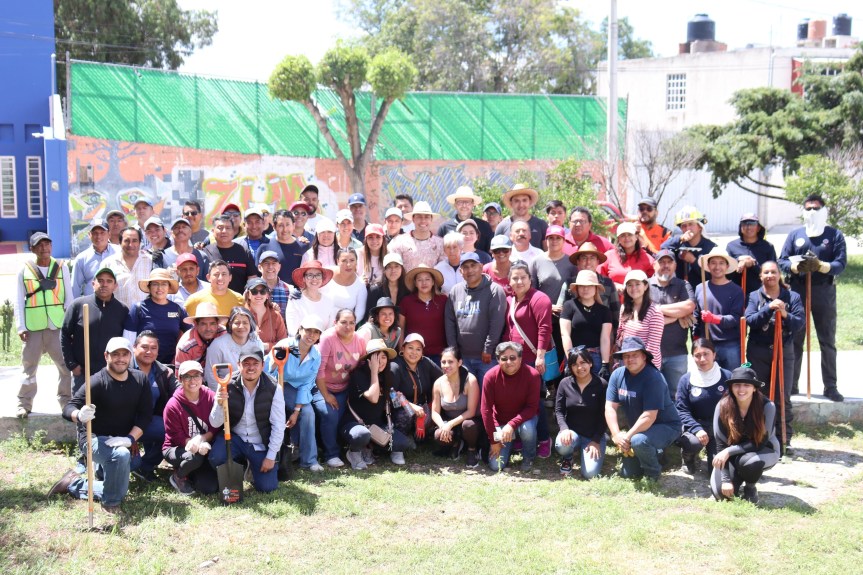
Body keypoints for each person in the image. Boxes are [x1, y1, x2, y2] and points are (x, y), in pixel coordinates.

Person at [49, 337, 151, 513]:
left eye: (124, 354)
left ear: (130, 356)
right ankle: (111, 502)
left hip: (121, 440)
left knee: (132, 463)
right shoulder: (96, 382)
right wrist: (79, 415)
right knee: (120, 458)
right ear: (106, 356)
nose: (120, 359)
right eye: (115, 354)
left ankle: (77, 482)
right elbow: (68, 408)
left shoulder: (140, 379)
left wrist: (130, 439)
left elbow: (145, 416)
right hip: (94, 438)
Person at [778, 193, 846, 401]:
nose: (812, 212)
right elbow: (782, 261)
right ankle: (792, 384)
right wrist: (795, 267)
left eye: (816, 208)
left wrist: (821, 266)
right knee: (795, 338)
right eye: (808, 208)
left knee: (827, 340)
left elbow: (840, 264)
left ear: (823, 210)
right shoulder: (795, 235)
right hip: (798, 291)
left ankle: (830, 386)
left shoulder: (834, 235)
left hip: (823, 291)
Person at [209, 349, 286, 493]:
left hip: (260, 442)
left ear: (262, 365)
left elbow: (278, 425)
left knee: (267, 487)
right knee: (216, 458)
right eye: (246, 363)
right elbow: (214, 423)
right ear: (238, 365)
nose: (251, 367)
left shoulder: (274, 388)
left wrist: (271, 457)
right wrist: (219, 404)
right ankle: (242, 467)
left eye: (255, 363)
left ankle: (253, 466)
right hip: (235, 439)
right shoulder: (226, 384)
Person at [605, 336, 681, 481]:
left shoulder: (654, 378)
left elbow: (649, 416)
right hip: (640, 429)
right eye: (626, 356)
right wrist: (616, 435)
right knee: (629, 474)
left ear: (644, 356)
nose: (630, 359)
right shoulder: (617, 375)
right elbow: (610, 408)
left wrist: (627, 437)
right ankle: (655, 453)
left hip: (666, 426)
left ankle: (653, 473)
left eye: (635, 355)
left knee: (639, 441)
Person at [745, 261, 804, 446]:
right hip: (758, 352)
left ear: (779, 275)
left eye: (773, 272)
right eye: (766, 272)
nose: (770, 275)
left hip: (783, 351)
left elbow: (799, 323)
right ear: (760, 276)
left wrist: (784, 313)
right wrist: (768, 308)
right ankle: (760, 437)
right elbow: (750, 320)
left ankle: (783, 439)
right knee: (759, 394)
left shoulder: (792, 296)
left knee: (782, 395)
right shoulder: (754, 296)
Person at [15, 232, 73, 417]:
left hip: (57, 326)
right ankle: (24, 403)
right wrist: (21, 327)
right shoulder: (24, 270)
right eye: (39, 245)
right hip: (34, 326)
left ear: (51, 246)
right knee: (29, 367)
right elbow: (19, 300)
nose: (44, 248)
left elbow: (69, 297)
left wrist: (70, 325)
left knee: (65, 367)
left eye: (47, 244)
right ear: (32, 249)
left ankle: (66, 402)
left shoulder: (61, 267)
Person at [505, 260, 554, 457]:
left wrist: (540, 356)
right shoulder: (510, 300)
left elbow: (545, 328)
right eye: (515, 278)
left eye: (523, 277)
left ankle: (543, 439)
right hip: (514, 360)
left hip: (533, 360)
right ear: (509, 281)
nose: (519, 282)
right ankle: (521, 436)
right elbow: (509, 329)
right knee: (515, 400)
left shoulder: (539, 299)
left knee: (534, 402)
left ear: (530, 279)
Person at [711, 366, 780, 504]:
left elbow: (760, 442)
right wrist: (725, 480)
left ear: (754, 388)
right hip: (732, 456)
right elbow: (720, 444)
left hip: (763, 450)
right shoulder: (722, 406)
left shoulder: (768, 406)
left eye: (746, 385)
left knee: (750, 462)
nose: (741, 389)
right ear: (731, 387)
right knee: (721, 495)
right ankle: (738, 476)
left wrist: (729, 451)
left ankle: (750, 487)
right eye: (737, 385)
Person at [266, 315, 325, 473]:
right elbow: (268, 371)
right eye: (308, 330)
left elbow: (307, 384)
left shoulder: (316, 355)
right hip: (274, 385)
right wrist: (275, 364)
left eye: (316, 332)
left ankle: (309, 460)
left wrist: (296, 411)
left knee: (308, 413)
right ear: (300, 330)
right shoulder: (285, 345)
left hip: (296, 388)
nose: (311, 335)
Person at [342, 339, 412, 468]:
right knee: (362, 435)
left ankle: (371, 448)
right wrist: (374, 372)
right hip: (355, 423)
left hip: (376, 426)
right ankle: (354, 453)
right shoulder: (358, 375)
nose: (380, 361)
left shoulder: (387, 376)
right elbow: (373, 398)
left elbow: (390, 402)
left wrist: (398, 399)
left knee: (403, 443)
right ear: (368, 360)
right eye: (376, 358)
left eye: (384, 357)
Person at [62, 266, 129, 393]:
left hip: (111, 372)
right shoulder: (78, 305)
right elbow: (64, 334)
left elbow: (126, 342)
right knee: (81, 404)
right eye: (100, 280)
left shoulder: (122, 310)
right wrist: (72, 364)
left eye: (109, 281)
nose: (104, 284)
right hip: (82, 373)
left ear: (115, 286)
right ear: (93, 284)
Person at [314, 309, 366, 467]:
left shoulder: (360, 340)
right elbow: (319, 369)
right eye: (343, 322)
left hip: (344, 388)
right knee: (330, 415)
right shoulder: (328, 338)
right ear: (335, 323)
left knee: (341, 419)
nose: (348, 326)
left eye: (352, 323)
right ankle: (331, 455)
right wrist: (326, 395)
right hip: (322, 386)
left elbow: (362, 365)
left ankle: (348, 450)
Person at [444, 253, 507, 385]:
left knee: (486, 393)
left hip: (486, 358)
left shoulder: (495, 290)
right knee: (466, 393)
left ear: (481, 267)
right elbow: (449, 322)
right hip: (463, 358)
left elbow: (496, 323)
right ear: (460, 271)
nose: (470, 270)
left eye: (473, 265)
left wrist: (488, 349)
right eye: (465, 267)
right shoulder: (455, 291)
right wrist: (454, 351)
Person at [481, 342, 540, 471]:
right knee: (495, 466)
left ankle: (528, 457)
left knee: (528, 429)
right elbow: (486, 410)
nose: (509, 362)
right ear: (498, 360)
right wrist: (494, 441)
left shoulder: (533, 375)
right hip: (501, 422)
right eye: (504, 358)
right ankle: (509, 445)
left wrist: (511, 424)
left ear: (520, 358)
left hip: (524, 420)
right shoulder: (490, 376)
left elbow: (532, 407)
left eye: (513, 358)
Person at [162, 360, 218, 495]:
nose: (192, 380)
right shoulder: (173, 405)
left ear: (202, 377)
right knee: (194, 458)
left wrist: (202, 439)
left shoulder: (211, 397)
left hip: (204, 447)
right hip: (178, 448)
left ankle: (191, 472)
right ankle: (179, 476)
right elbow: (176, 436)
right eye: (187, 376)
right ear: (180, 379)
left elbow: (215, 427)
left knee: (209, 488)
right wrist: (195, 444)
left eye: (196, 375)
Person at [675, 339, 731, 474]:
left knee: (716, 471)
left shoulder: (727, 376)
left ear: (714, 355)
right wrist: (697, 429)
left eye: (706, 354)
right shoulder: (686, 380)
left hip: (719, 427)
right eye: (697, 355)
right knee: (693, 443)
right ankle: (688, 457)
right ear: (693, 357)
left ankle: (712, 451)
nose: (702, 359)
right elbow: (682, 410)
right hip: (695, 426)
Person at [130, 331, 178, 481]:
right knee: (130, 462)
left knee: (173, 430)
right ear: (134, 348)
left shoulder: (164, 372)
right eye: (144, 347)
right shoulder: (122, 369)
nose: (149, 352)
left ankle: (146, 466)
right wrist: (130, 437)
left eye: (153, 348)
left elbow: (180, 393)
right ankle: (102, 468)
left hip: (149, 422)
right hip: (123, 424)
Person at [648, 249, 697, 397]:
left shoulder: (683, 285)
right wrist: (676, 316)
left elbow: (689, 306)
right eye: (662, 262)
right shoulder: (644, 285)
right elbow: (643, 315)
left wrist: (655, 309)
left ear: (675, 265)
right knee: (652, 394)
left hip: (677, 353)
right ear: (654, 265)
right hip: (649, 353)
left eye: (669, 262)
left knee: (677, 395)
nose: (666, 265)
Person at [555, 347, 607, 479]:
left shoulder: (601, 384)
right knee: (561, 444)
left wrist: (596, 440)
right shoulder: (564, 383)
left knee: (590, 474)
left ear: (590, 363)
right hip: (572, 434)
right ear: (570, 367)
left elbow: (605, 416)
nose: (579, 367)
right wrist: (564, 429)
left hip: (593, 436)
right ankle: (568, 457)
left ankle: (593, 448)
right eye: (574, 364)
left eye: (583, 362)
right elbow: (559, 411)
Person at [122, 268, 188, 365]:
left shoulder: (178, 309)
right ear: (149, 287)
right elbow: (128, 342)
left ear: (169, 287)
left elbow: (191, 335)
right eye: (155, 284)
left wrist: (180, 357)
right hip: (142, 366)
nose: (159, 288)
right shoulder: (138, 308)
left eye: (164, 284)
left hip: (171, 367)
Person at [431, 346, 483, 467]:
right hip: (451, 422)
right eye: (443, 362)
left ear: (459, 362)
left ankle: (472, 449)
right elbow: (434, 412)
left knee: (468, 426)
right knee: (438, 435)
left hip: (470, 421)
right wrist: (443, 426)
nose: (446, 365)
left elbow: (471, 411)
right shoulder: (438, 383)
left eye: (450, 362)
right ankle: (456, 444)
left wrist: (449, 425)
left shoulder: (470, 380)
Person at [695, 248, 744, 371]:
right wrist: (696, 339)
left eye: (721, 263)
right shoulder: (700, 288)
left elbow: (736, 318)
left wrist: (714, 319)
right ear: (708, 265)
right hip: (707, 344)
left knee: (732, 378)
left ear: (727, 266)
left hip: (730, 344)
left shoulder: (736, 290)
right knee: (708, 378)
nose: (717, 267)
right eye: (713, 263)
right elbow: (696, 316)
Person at [389, 333, 443, 442]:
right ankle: (402, 439)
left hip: (423, 407)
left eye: (418, 349)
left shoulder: (426, 362)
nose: (414, 352)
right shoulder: (395, 366)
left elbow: (442, 379)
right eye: (410, 348)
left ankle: (423, 435)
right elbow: (391, 395)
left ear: (422, 352)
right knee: (405, 415)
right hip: (401, 409)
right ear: (403, 348)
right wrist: (411, 406)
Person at [560, 270, 612, 376]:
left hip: (596, 356)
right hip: (575, 355)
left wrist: (605, 363)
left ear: (596, 288)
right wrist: (571, 359)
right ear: (577, 288)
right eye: (582, 286)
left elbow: (605, 338)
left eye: (590, 286)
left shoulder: (604, 310)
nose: (585, 289)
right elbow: (565, 335)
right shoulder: (569, 306)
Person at [203, 307, 265, 390]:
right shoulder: (218, 345)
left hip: (252, 390)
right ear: (230, 324)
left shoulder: (256, 342)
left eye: (245, 323)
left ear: (251, 324)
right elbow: (210, 374)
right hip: (226, 391)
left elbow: (260, 369)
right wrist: (218, 395)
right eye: (237, 323)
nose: (241, 326)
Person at [566, 242, 619, 334]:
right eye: (584, 258)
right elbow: (562, 312)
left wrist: (615, 337)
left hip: (603, 335)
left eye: (592, 258)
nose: (588, 262)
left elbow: (616, 312)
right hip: (575, 336)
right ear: (578, 261)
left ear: (598, 262)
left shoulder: (608, 283)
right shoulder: (569, 283)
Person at [617, 270, 664, 371]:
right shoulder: (624, 308)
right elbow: (620, 334)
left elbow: (652, 348)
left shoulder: (654, 311)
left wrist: (640, 369)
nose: (633, 288)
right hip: (627, 363)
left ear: (645, 286)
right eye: (629, 285)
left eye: (637, 284)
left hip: (647, 367)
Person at [401, 264, 448, 364]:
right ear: (415, 283)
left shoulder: (443, 300)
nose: (424, 283)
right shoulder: (406, 302)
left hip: (440, 354)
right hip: (414, 355)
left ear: (433, 282)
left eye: (427, 279)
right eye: (420, 280)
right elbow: (400, 328)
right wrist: (401, 349)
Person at [660, 206, 717, 288]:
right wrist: (680, 238)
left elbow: (713, 275)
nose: (687, 228)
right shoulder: (678, 243)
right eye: (684, 226)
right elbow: (662, 248)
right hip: (680, 290)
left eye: (691, 224)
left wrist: (693, 261)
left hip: (703, 291)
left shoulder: (710, 247)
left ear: (700, 226)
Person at [200, 215, 259, 294]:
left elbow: (252, 278)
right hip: (212, 299)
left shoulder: (243, 251)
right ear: (213, 231)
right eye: (220, 228)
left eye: (228, 228)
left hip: (238, 299)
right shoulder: (206, 252)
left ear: (233, 231)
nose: (224, 231)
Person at [727, 213, 776, 296]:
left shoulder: (768, 247)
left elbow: (773, 271)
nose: (748, 227)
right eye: (745, 224)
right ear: (740, 227)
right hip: (736, 293)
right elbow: (726, 271)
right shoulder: (731, 246)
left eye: (752, 224)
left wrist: (753, 264)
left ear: (758, 228)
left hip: (761, 294)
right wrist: (738, 261)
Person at [599, 222, 655, 295]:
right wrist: (613, 285)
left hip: (639, 300)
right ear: (618, 238)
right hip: (613, 299)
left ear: (636, 236)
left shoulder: (648, 258)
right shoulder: (608, 256)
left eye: (629, 234)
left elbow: (654, 282)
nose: (626, 238)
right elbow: (599, 279)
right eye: (623, 235)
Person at [104, 227, 153, 309]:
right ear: (120, 242)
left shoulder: (151, 261)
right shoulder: (108, 263)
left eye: (134, 240)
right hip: (118, 313)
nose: (131, 244)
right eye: (126, 241)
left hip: (146, 313)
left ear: (140, 243)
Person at [387, 201, 444, 271]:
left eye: (426, 217)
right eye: (419, 217)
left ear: (431, 219)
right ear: (413, 219)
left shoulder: (440, 244)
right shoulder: (399, 242)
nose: (423, 220)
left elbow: (444, 269)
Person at [285, 260, 336, 336]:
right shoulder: (295, 299)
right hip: (298, 341)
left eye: (318, 275)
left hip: (322, 342)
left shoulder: (329, 301)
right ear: (304, 278)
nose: (314, 279)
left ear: (322, 278)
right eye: (310, 275)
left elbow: (330, 329)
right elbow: (292, 330)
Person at [437, 186, 493, 253]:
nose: (464, 205)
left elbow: (490, 252)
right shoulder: (444, 228)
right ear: (455, 205)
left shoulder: (484, 226)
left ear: (473, 204)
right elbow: (440, 252)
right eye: (460, 202)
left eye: (467, 202)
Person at [71, 219, 117, 297]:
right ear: (89, 235)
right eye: (95, 233)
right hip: (92, 302)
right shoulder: (82, 258)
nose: (98, 236)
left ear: (109, 234)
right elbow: (75, 287)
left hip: (116, 301)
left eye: (102, 233)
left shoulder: (119, 252)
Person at [494, 184, 547, 249]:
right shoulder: (502, 227)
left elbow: (547, 252)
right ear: (511, 203)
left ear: (529, 202)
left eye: (524, 200)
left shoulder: (541, 225)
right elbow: (496, 251)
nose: (521, 205)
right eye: (516, 201)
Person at [322, 248, 367, 322]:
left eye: (352, 260)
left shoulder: (360, 285)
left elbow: (359, 314)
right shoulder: (325, 273)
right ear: (337, 261)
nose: (348, 265)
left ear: (356, 262)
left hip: (343, 326)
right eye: (344, 261)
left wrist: (345, 325)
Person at [263, 210, 308, 284]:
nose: (285, 229)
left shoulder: (304, 246)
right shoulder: (265, 247)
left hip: (297, 290)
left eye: (288, 225)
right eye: (281, 225)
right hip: (270, 290)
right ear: (274, 227)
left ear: (293, 225)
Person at [244, 278, 287, 352]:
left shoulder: (276, 316)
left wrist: (267, 346)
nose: (258, 295)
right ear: (248, 295)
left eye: (262, 291)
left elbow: (284, 344)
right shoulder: (241, 315)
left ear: (267, 295)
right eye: (254, 291)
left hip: (271, 358)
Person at [366, 253, 410, 321]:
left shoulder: (407, 291)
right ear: (384, 270)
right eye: (389, 267)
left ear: (402, 268)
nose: (393, 270)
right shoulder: (375, 290)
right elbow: (369, 316)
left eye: (396, 266)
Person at [256, 250, 291, 317]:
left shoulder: (289, 290)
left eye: (274, 263)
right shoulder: (251, 290)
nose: (270, 267)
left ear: (279, 267)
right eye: (266, 263)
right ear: (260, 267)